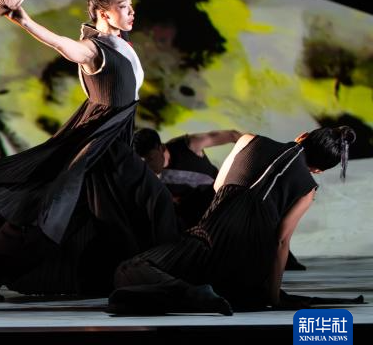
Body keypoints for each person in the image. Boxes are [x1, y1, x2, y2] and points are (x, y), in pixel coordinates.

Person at [0, 0, 178, 300]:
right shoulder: (92, 50)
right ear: (104, 14)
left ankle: (138, 273)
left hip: (117, 140)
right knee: (144, 199)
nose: (131, 11)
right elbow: (61, 44)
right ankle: (162, 271)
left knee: (100, 216)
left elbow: (117, 11)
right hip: (102, 144)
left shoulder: (119, 39)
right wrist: (24, 20)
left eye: (130, 5)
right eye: (123, 6)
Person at [109, 126, 355, 315]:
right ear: (319, 170)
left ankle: (189, 293)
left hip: (209, 239)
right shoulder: (308, 189)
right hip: (248, 272)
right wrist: (273, 297)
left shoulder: (248, 140)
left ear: (303, 136)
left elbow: (218, 186)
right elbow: (281, 241)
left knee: (127, 270)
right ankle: (199, 293)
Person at [133, 128, 241, 229]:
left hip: (224, 199)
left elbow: (233, 135)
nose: (148, 167)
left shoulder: (189, 145)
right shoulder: (146, 175)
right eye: (143, 163)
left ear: (161, 148)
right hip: (199, 220)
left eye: (150, 159)